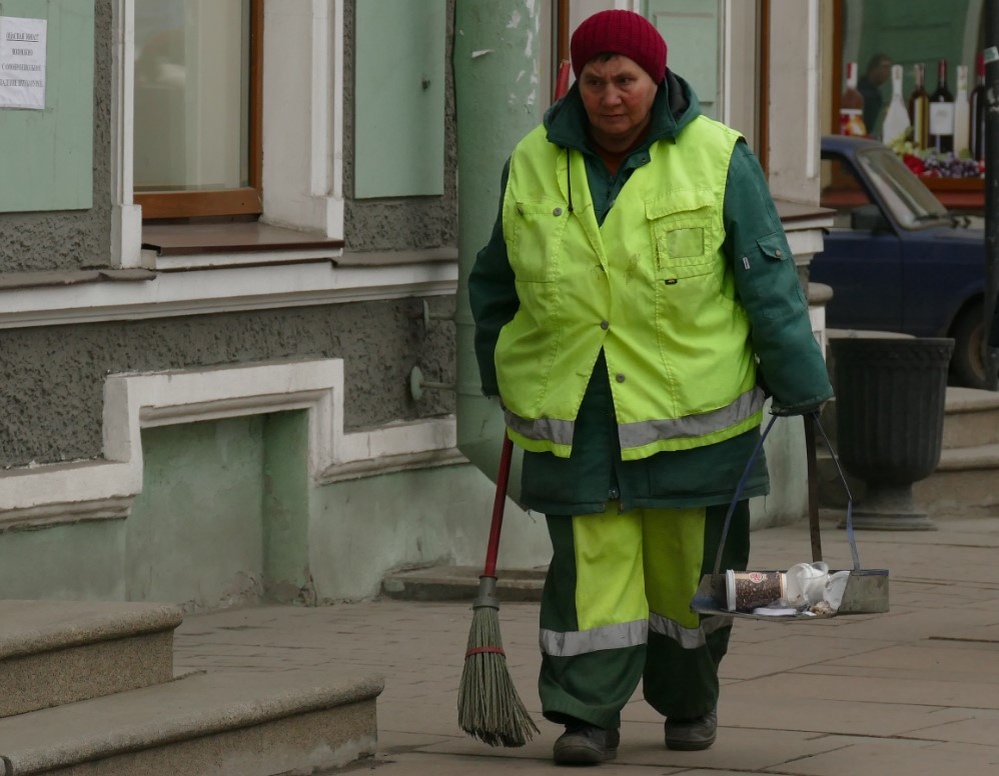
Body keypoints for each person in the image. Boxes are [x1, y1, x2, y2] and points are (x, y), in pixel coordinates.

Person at [468, 9, 833, 766]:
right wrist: (498, 377)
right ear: (575, 81)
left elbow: (765, 281)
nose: (609, 97)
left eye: (625, 81)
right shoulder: (532, 160)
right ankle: (585, 715)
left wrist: (801, 382)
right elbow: (494, 284)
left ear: (655, 79)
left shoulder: (716, 157)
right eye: (594, 81)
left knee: (687, 580)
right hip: (578, 415)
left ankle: (689, 697)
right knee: (591, 576)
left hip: (693, 417)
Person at [858, 53, 892, 138]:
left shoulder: (875, 92)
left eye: (889, 68)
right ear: (873, 68)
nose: (888, 72)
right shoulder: (863, 91)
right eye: (885, 67)